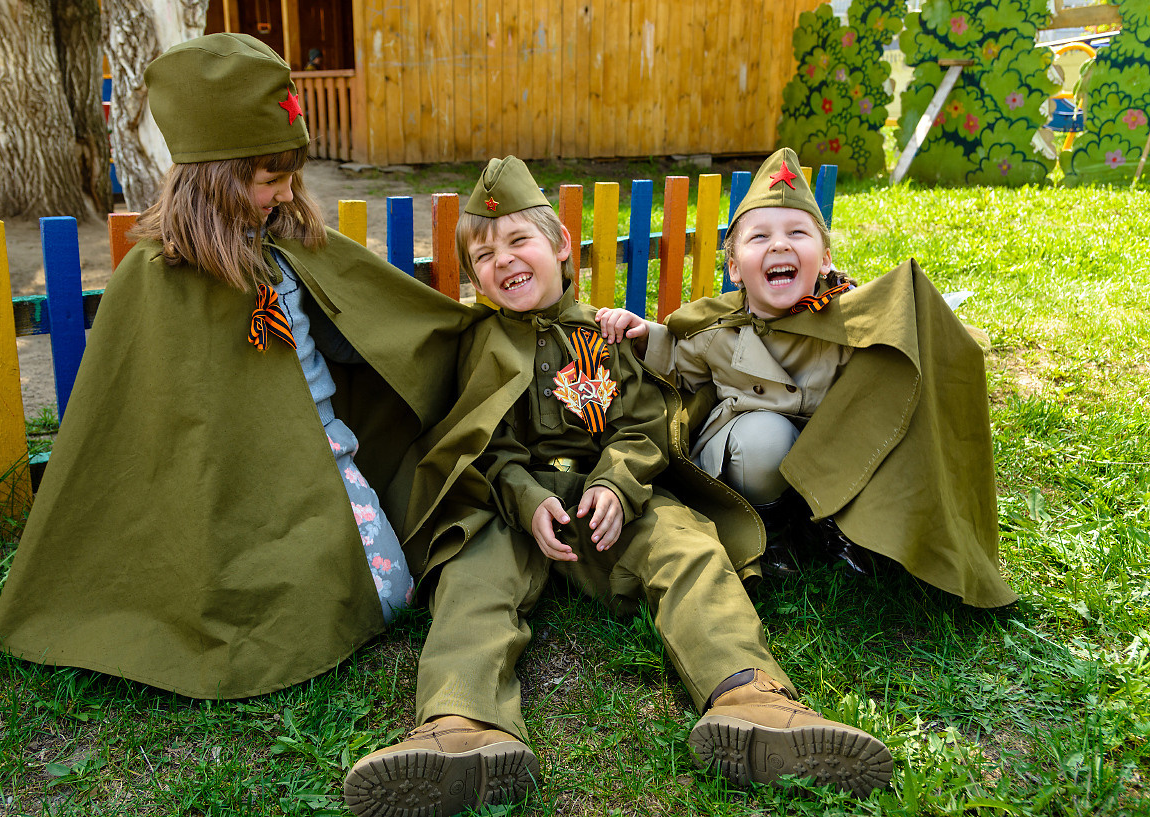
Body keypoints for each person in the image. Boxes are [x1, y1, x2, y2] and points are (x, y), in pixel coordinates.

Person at [341, 157, 893, 817]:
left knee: (687, 544)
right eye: (484, 255)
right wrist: (523, 495)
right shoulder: (478, 343)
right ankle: (465, 724)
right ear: (474, 278)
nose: (504, 260)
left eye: (519, 241)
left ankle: (751, 697)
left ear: (560, 248)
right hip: (519, 512)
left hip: (610, 505)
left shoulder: (602, 337)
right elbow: (480, 442)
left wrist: (616, 485)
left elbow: (642, 427)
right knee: (472, 575)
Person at [0, 33, 474, 698]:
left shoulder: (287, 250)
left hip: (323, 465)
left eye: (290, 176)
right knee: (291, 602)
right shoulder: (154, 281)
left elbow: (357, 330)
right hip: (223, 499)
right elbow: (150, 425)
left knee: (389, 590)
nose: (285, 192)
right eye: (270, 179)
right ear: (214, 179)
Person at [596, 146, 1017, 608]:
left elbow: (912, 355)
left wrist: (933, 336)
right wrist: (642, 336)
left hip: (832, 458)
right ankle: (772, 531)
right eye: (760, 238)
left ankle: (845, 527)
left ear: (826, 259)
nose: (779, 245)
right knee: (765, 438)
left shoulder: (850, 320)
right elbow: (677, 360)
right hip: (752, 459)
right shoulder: (716, 328)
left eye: (797, 232)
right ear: (734, 269)